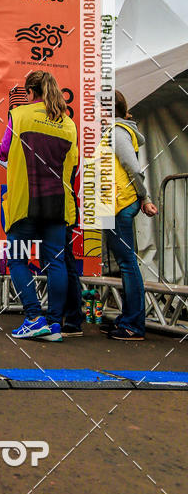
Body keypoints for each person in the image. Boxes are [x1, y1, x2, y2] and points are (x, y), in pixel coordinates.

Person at [0, 70, 78, 342]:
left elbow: (3, 152)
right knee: (56, 262)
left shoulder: (19, 115)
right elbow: (74, 163)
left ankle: (33, 317)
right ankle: (55, 325)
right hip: (57, 202)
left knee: (17, 259)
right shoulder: (68, 123)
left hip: (25, 202)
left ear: (30, 93)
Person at [100, 90, 158, 341]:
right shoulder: (116, 131)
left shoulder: (117, 132)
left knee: (127, 264)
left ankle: (134, 323)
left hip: (119, 203)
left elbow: (133, 168)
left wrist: (143, 196)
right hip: (113, 204)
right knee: (124, 264)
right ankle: (128, 318)